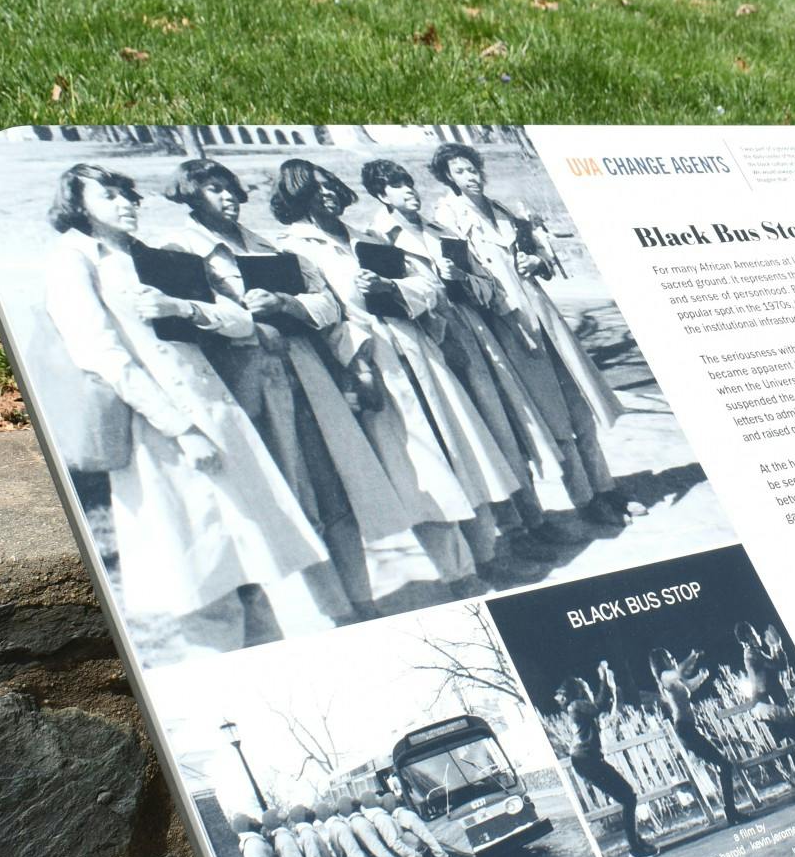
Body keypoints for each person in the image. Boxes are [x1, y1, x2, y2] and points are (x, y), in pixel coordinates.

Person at [41, 163, 334, 659]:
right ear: (77, 203)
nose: (125, 203)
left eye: (128, 194)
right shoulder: (73, 260)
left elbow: (239, 321)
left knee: (250, 563)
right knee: (202, 572)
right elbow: (102, 354)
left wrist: (182, 309)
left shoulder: (153, 257)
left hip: (217, 414)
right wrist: (180, 428)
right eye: (110, 195)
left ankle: (271, 660)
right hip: (158, 431)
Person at [265, 159, 519, 587]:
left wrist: (390, 288)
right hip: (367, 363)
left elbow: (429, 288)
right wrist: (353, 356)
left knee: (457, 450)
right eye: (315, 187)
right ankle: (458, 574)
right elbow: (316, 313)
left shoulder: (369, 238)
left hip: (416, 349)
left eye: (331, 184)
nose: (328, 192)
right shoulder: (293, 248)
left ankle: (487, 556)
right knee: (418, 469)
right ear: (297, 194)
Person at [358, 158, 582, 533]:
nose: (408, 190)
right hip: (433, 343)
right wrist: (434, 316)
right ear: (382, 195)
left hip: (478, 332)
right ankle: (507, 529)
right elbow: (388, 303)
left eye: (408, 182)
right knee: (472, 437)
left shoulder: (439, 229)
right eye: (396, 186)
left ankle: (534, 520)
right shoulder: (378, 239)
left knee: (508, 425)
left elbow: (487, 286)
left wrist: (461, 278)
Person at [429, 143, 634, 527]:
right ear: (448, 178)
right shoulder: (449, 217)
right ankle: (586, 500)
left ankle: (607, 488)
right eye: (459, 171)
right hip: (508, 324)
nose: (470, 175)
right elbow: (460, 284)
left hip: (544, 317)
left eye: (472, 168)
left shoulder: (503, 211)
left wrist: (536, 260)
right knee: (555, 420)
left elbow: (542, 258)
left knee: (580, 408)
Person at [555, 663, 657, 857]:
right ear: (578, 690)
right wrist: (603, 678)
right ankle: (635, 849)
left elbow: (606, 710)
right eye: (585, 686)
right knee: (628, 796)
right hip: (586, 760)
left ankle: (636, 843)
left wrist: (610, 686)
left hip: (588, 760)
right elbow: (598, 706)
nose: (588, 689)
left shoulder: (580, 709)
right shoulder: (576, 705)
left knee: (627, 797)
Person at [649, 646, 746, 825]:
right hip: (685, 729)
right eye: (669, 657)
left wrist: (702, 675)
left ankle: (731, 812)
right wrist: (692, 655)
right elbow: (679, 670)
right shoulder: (665, 677)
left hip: (690, 728)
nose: (672, 659)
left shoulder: (675, 680)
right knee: (724, 764)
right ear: (661, 662)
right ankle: (731, 813)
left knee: (723, 764)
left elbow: (690, 686)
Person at [736, 621, 795, 796]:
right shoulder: (752, 654)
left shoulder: (755, 653)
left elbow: (777, 666)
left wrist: (776, 647)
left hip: (766, 706)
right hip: (767, 705)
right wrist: (777, 646)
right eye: (753, 633)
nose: (757, 635)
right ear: (747, 637)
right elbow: (779, 666)